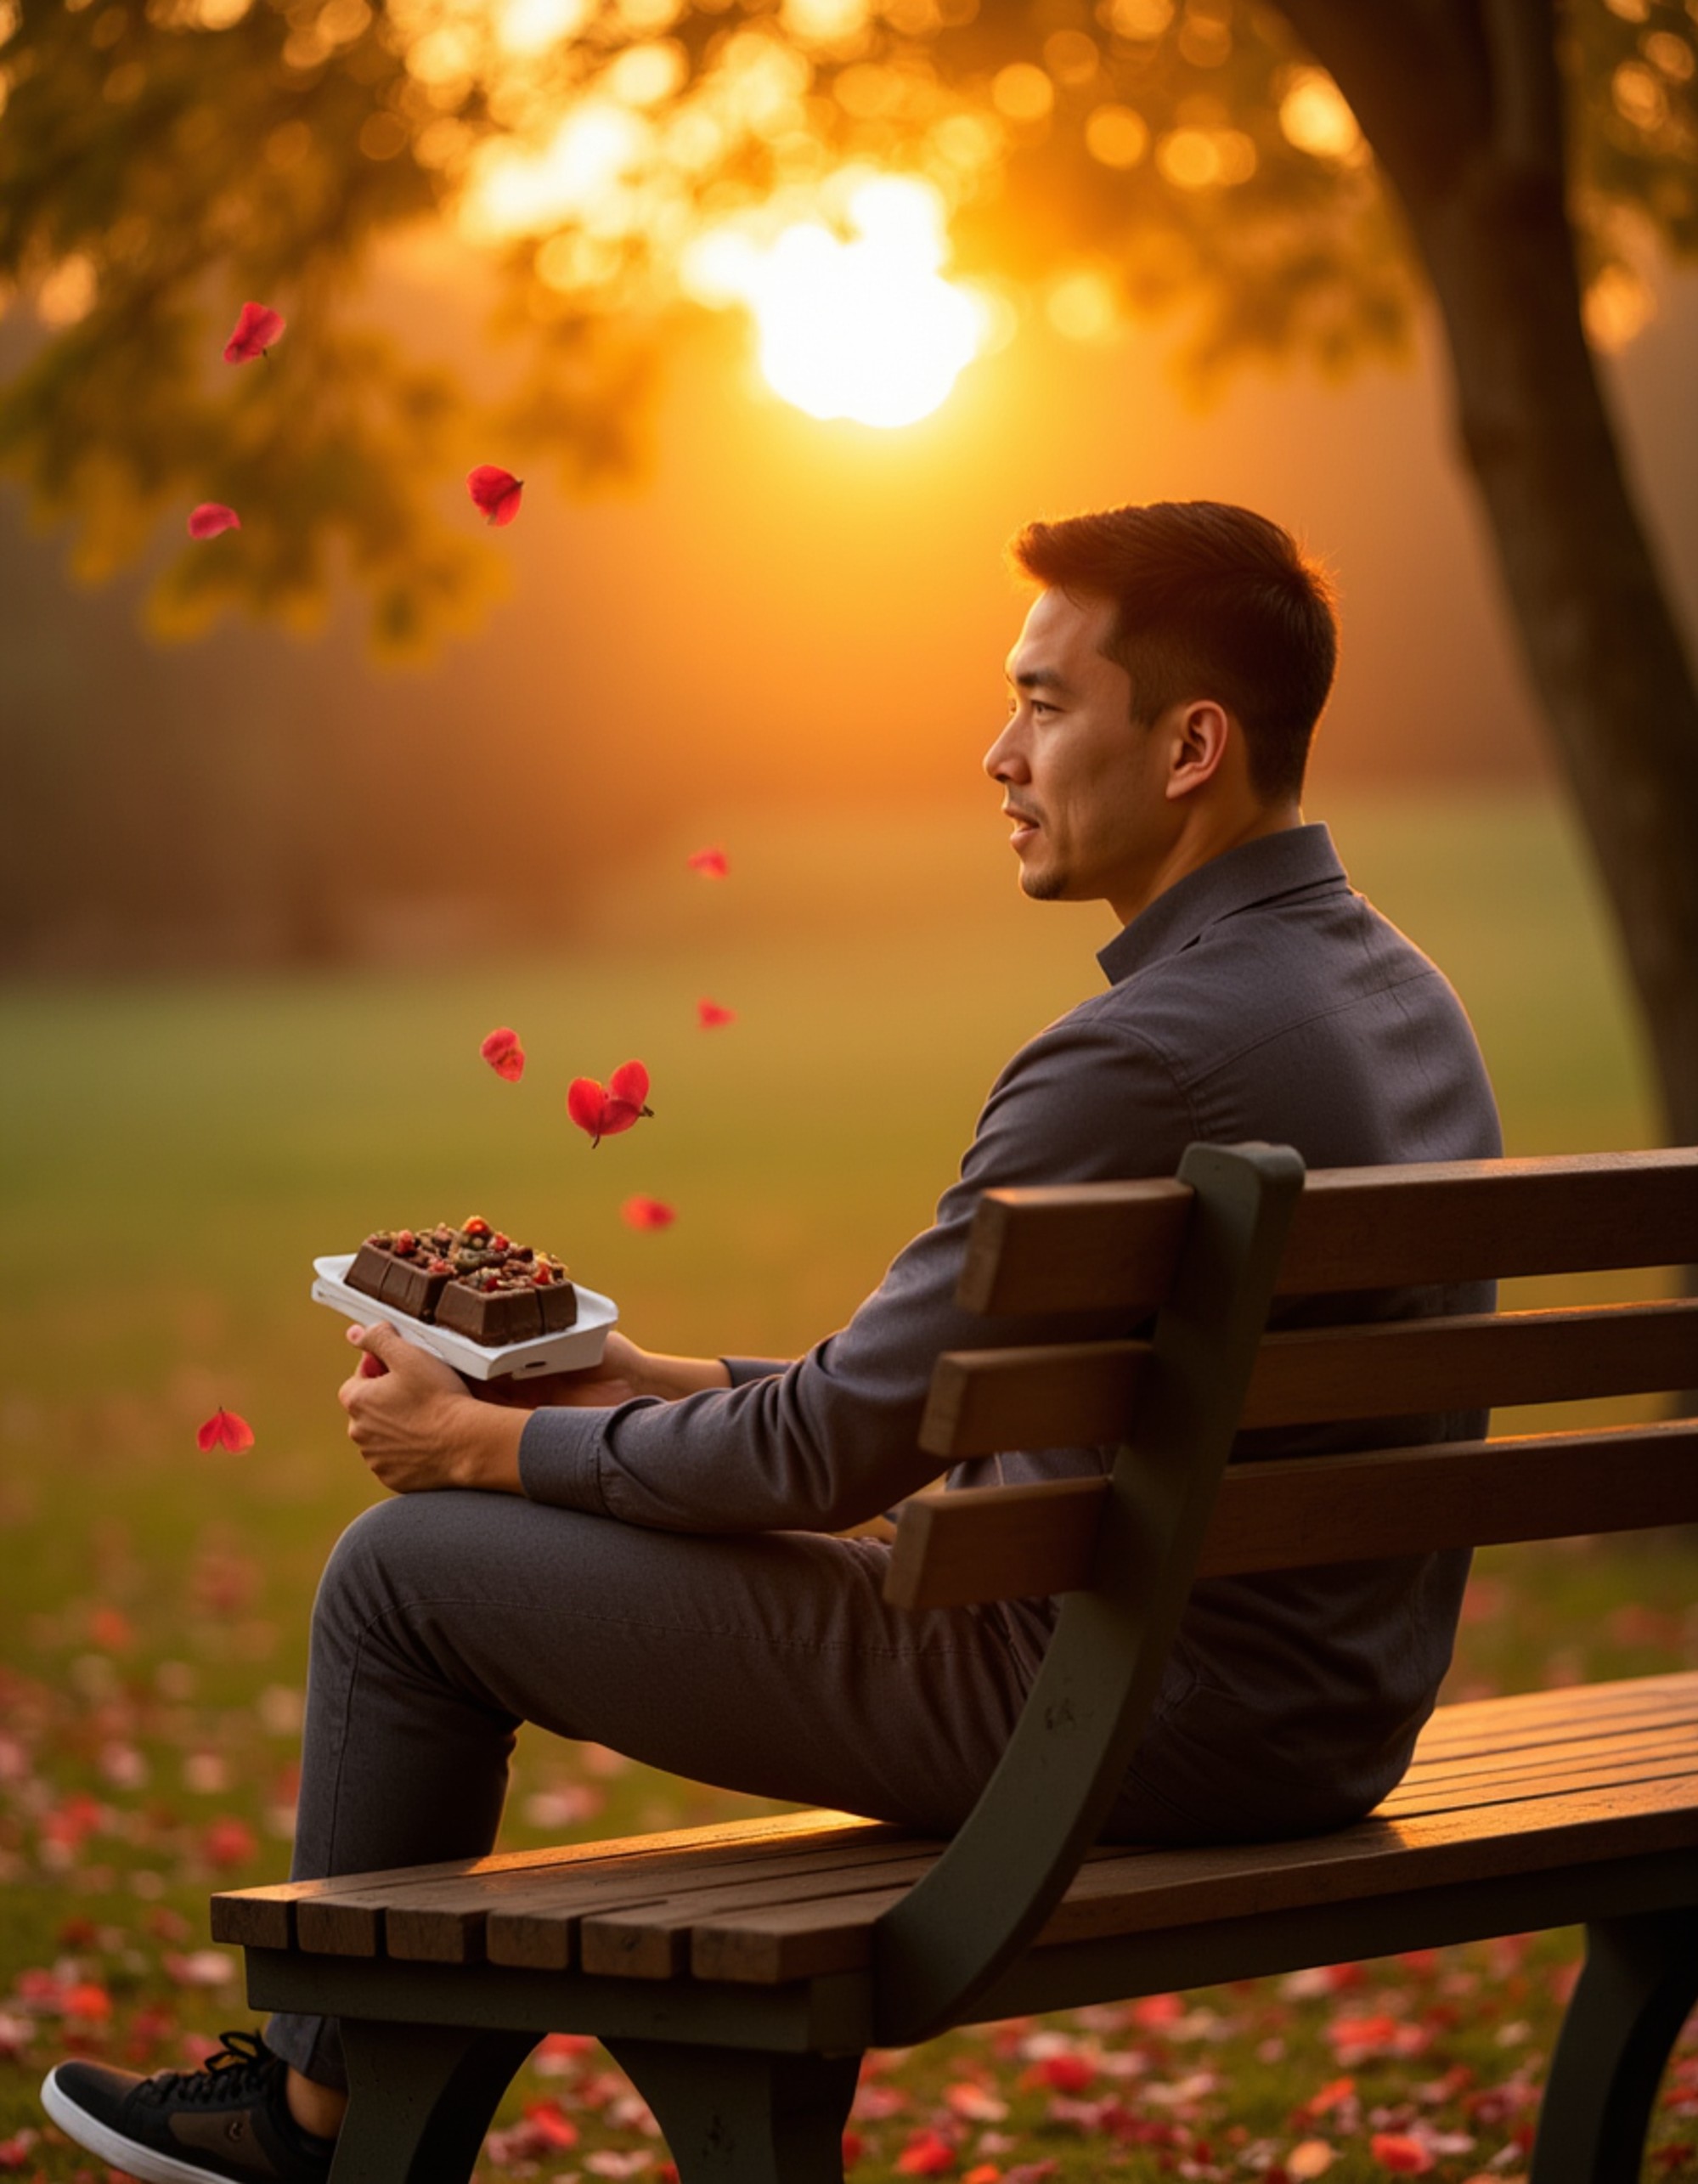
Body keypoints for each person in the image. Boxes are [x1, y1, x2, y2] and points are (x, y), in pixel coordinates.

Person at [42, 499, 1502, 2182]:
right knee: (483, 1518)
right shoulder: (1393, 990)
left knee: (406, 1570)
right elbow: (892, 1404)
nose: (993, 750)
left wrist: (488, 1443)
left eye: (1040, 701)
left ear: (1188, 743)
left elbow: (831, 1455)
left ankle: (313, 2119)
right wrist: (639, 1380)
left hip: (1112, 1718)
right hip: (1320, 1714)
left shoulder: (1135, 1055)